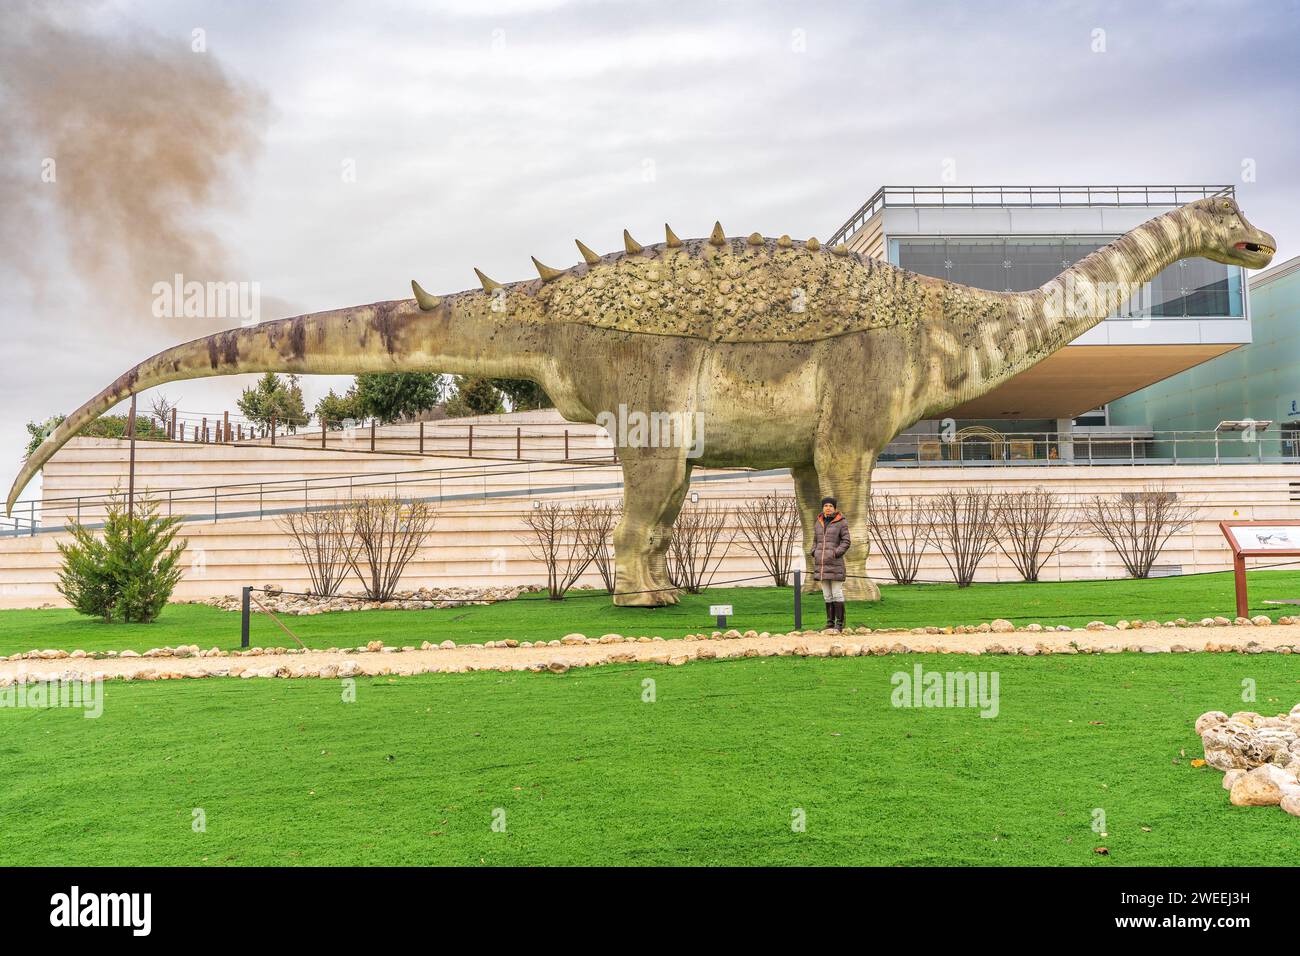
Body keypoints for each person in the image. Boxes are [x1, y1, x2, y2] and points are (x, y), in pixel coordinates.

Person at [811, 495, 850, 632]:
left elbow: (846, 541)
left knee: (837, 593)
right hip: (821, 565)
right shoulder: (818, 522)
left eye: (830, 506)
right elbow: (815, 540)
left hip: (835, 564)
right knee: (827, 595)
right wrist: (814, 551)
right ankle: (829, 623)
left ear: (835, 508)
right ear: (823, 507)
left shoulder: (841, 522)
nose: (828, 508)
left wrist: (835, 553)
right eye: (826, 506)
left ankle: (839, 624)